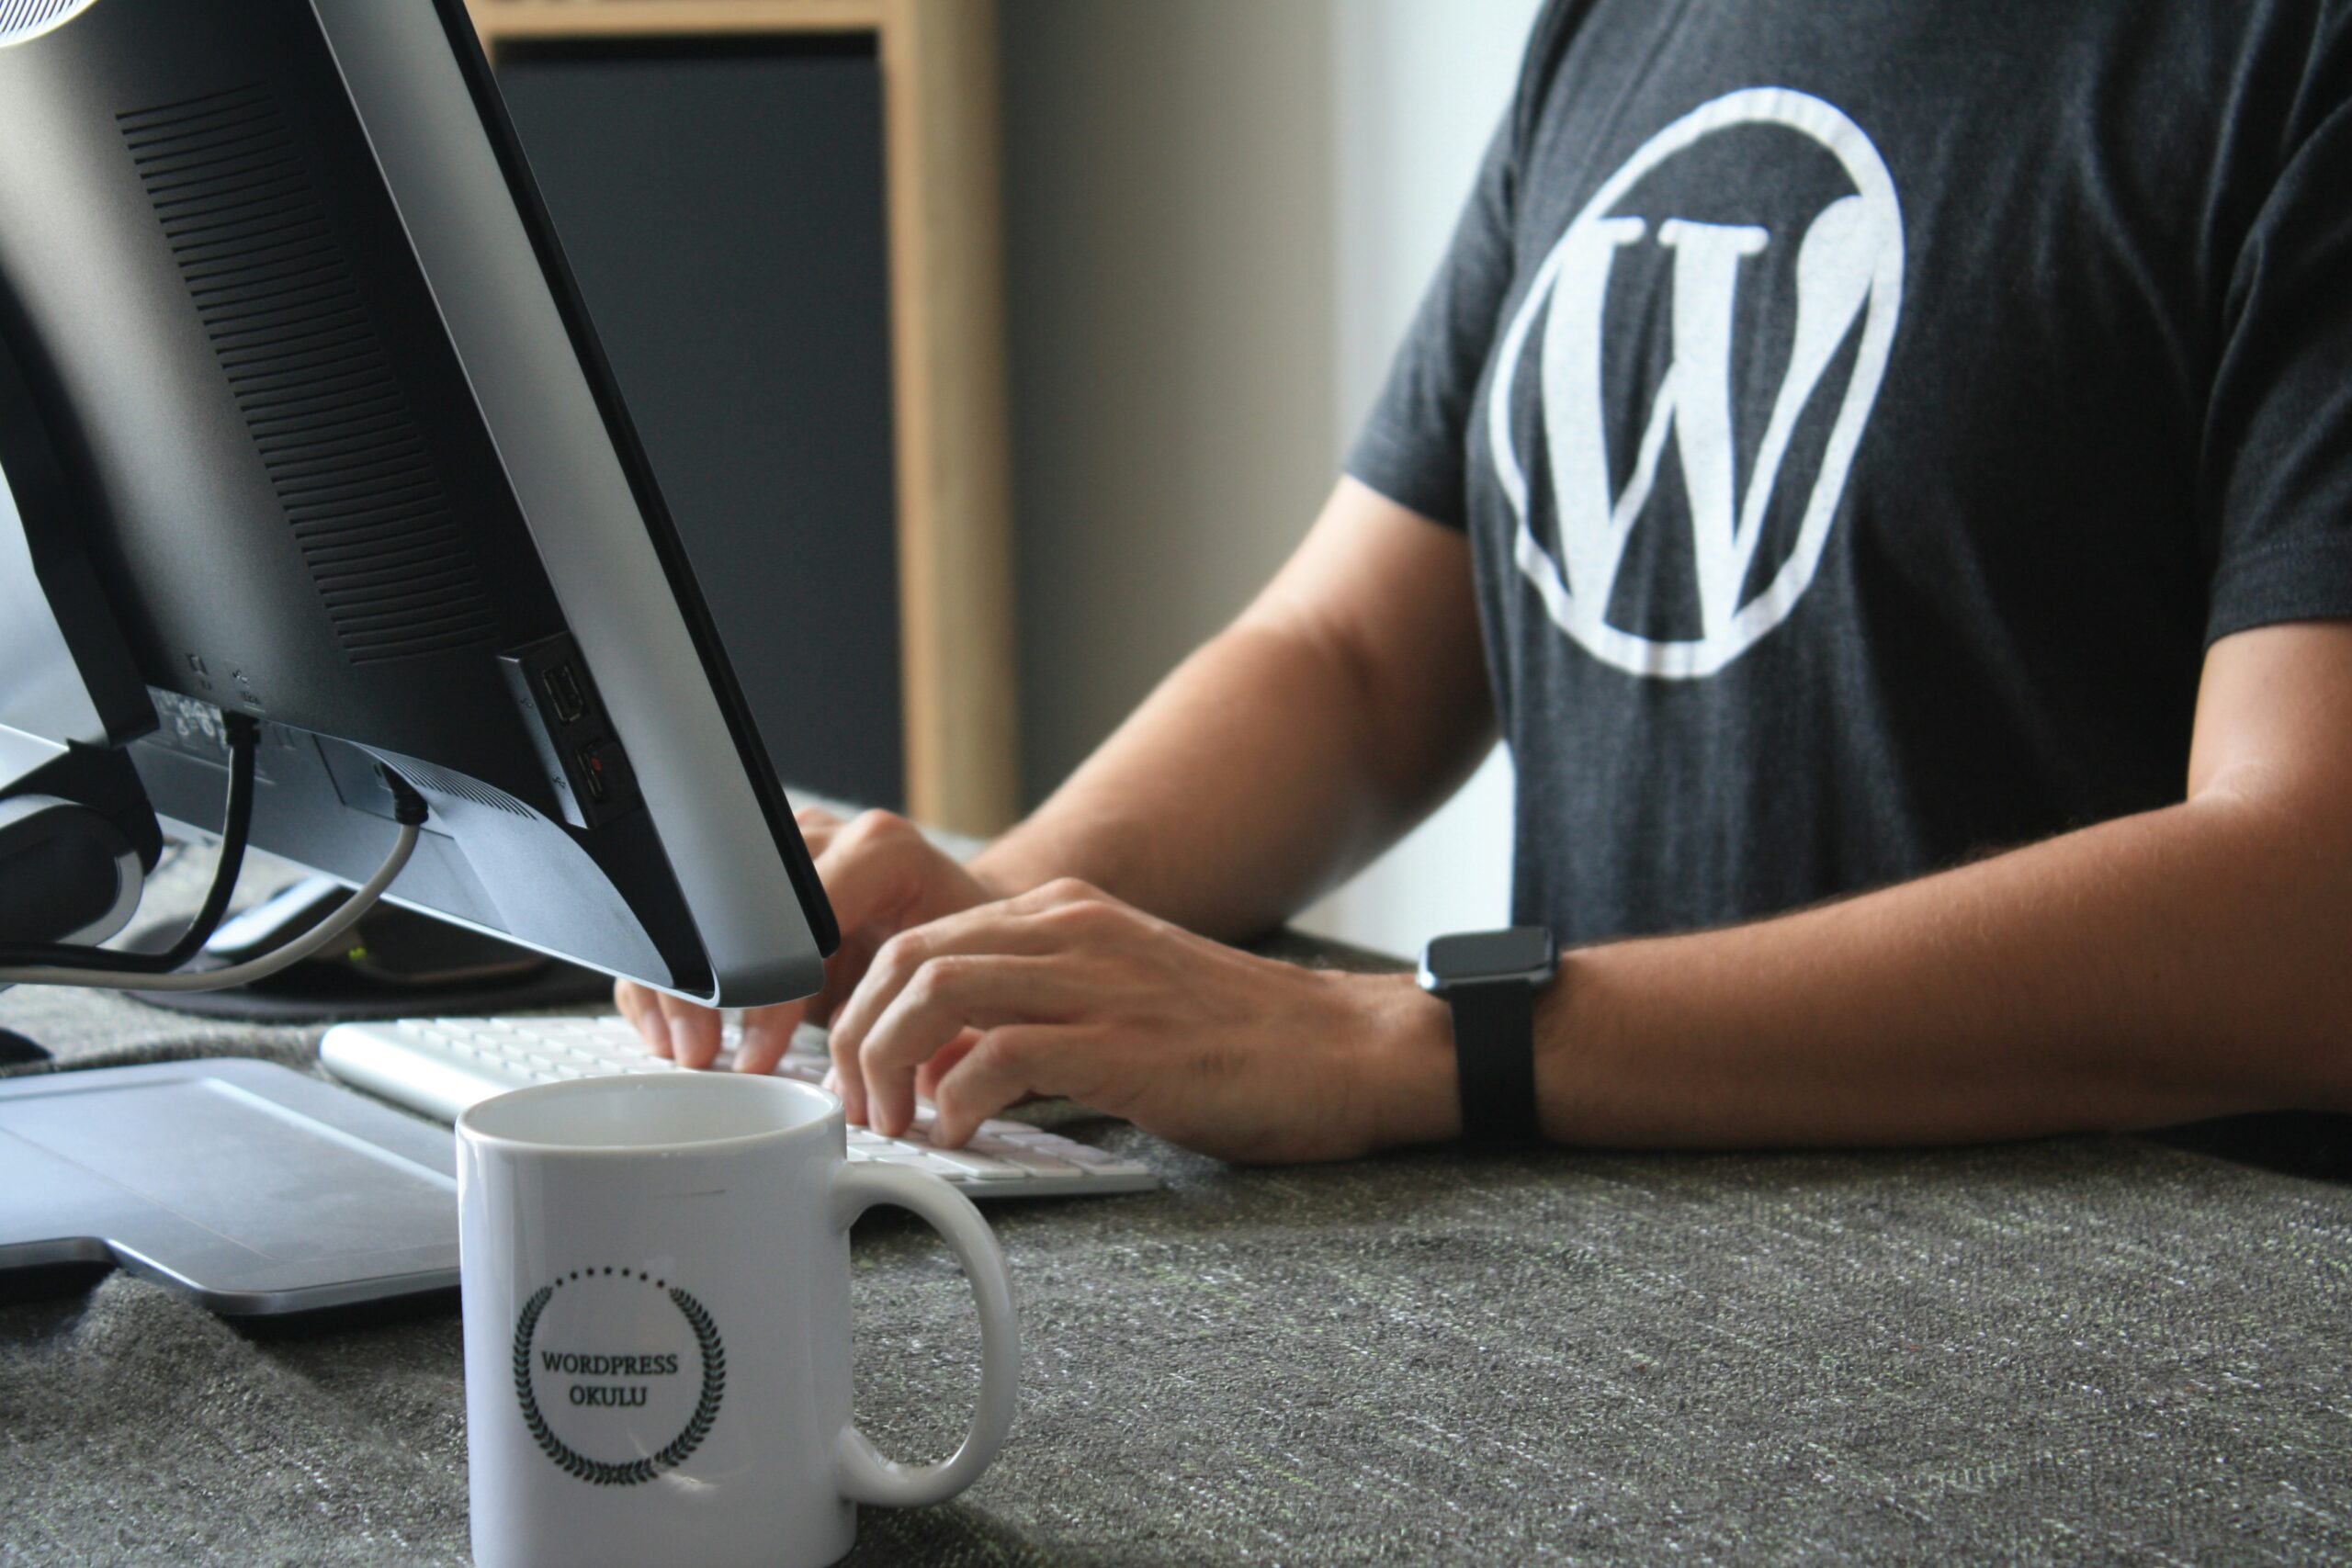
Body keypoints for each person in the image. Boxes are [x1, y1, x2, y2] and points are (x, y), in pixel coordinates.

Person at [620, 0, 2352, 1162]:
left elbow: (2309, 905)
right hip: (1615, 1269)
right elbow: (1359, 651)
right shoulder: (1620, 22)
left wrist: (1426, 1041)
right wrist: (998, 930)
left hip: (2100, 1350)